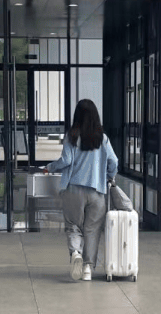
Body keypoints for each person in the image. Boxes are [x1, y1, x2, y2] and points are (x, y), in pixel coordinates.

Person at [43, 99, 118, 281]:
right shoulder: (103, 139)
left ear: (76, 116)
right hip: (97, 191)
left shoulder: (72, 136)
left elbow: (66, 160)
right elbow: (114, 161)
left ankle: (76, 252)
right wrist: (109, 176)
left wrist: (50, 167)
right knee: (92, 229)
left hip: (73, 190)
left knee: (73, 226)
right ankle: (87, 270)